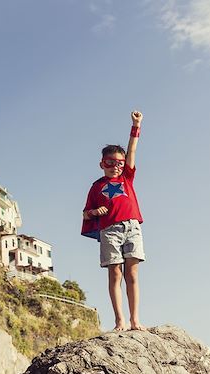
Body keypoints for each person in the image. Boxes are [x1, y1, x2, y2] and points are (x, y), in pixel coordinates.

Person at [81, 111, 145, 331]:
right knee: (115, 272)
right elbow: (85, 214)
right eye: (110, 162)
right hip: (110, 230)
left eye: (119, 162)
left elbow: (133, 150)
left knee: (132, 273)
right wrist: (94, 212)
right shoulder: (96, 186)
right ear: (102, 164)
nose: (116, 166)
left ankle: (135, 319)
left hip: (132, 227)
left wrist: (135, 125)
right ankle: (120, 320)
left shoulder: (127, 177)